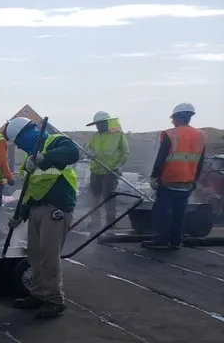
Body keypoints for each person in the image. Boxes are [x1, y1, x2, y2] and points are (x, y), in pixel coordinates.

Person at [4, 117, 80, 319]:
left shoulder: (55, 142)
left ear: (26, 134)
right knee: (35, 254)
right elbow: (30, 191)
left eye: (18, 141)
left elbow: (73, 152)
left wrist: (43, 157)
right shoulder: (29, 159)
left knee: (48, 255)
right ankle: (38, 294)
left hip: (55, 209)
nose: (19, 146)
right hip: (37, 209)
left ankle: (54, 300)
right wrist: (21, 215)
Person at [142, 102, 206, 251]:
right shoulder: (200, 136)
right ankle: (176, 241)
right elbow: (200, 160)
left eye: (173, 119)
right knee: (180, 212)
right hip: (187, 181)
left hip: (169, 180)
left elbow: (162, 157)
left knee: (162, 212)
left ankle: (162, 239)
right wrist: (195, 179)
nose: (172, 122)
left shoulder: (171, 134)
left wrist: (154, 176)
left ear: (178, 117)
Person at [84, 110, 130, 231]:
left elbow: (125, 152)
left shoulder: (118, 135)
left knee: (109, 198)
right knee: (95, 197)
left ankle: (111, 223)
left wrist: (119, 166)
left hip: (110, 171)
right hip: (96, 171)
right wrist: (89, 152)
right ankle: (95, 222)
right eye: (97, 124)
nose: (99, 126)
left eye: (101, 123)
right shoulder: (95, 136)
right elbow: (88, 148)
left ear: (107, 123)